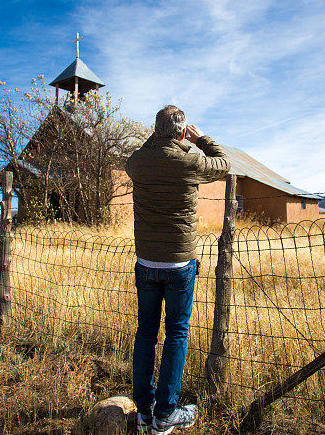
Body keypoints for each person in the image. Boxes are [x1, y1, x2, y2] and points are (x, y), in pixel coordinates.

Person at [125, 105, 230, 434]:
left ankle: (144, 411)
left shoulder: (137, 163)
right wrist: (200, 140)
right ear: (183, 133)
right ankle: (166, 413)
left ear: (155, 132)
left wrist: (156, 138)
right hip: (179, 263)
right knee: (176, 335)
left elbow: (143, 152)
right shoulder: (191, 160)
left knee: (145, 335)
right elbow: (224, 164)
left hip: (146, 262)